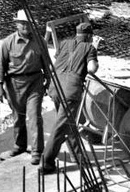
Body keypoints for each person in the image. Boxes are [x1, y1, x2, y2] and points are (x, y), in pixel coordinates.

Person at [0, 10, 52, 166]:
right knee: (18, 117)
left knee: (34, 117)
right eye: (23, 23)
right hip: (14, 84)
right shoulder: (7, 43)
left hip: (35, 82)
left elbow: (46, 63)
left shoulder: (40, 41)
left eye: (28, 23)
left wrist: (49, 79)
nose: (26, 26)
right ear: (16, 24)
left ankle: (36, 151)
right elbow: (1, 65)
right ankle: (19, 146)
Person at [41, 21, 97, 174]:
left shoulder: (65, 43)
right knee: (61, 127)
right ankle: (46, 162)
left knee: (69, 123)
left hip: (55, 87)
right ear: (90, 36)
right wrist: (93, 52)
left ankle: (79, 158)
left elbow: (58, 59)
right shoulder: (90, 47)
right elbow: (92, 69)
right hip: (70, 91)